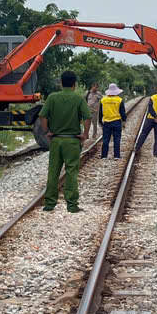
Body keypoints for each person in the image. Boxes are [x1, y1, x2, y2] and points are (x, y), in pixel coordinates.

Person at [39, 70, 92, 212]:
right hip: (72, 141)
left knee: (53, 172)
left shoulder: (52, 97)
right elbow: (88, 117)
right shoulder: (79, 99)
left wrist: (46, 132)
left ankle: (49, 204)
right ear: (75, 84)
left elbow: (42, 116)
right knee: (71, 173)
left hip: (56, 141)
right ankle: (72, 205)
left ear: (61, 83)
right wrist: (85, 134)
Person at [98, 83, 126, 159]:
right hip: (116, 122)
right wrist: (124, 121)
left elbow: (100, 112)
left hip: (106, 122)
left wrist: (100, 121)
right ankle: (116, 156)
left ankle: (104, 156)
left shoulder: (103, 100)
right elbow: (122, 112)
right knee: (117, 139)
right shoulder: (119, 100)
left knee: (105, 139)